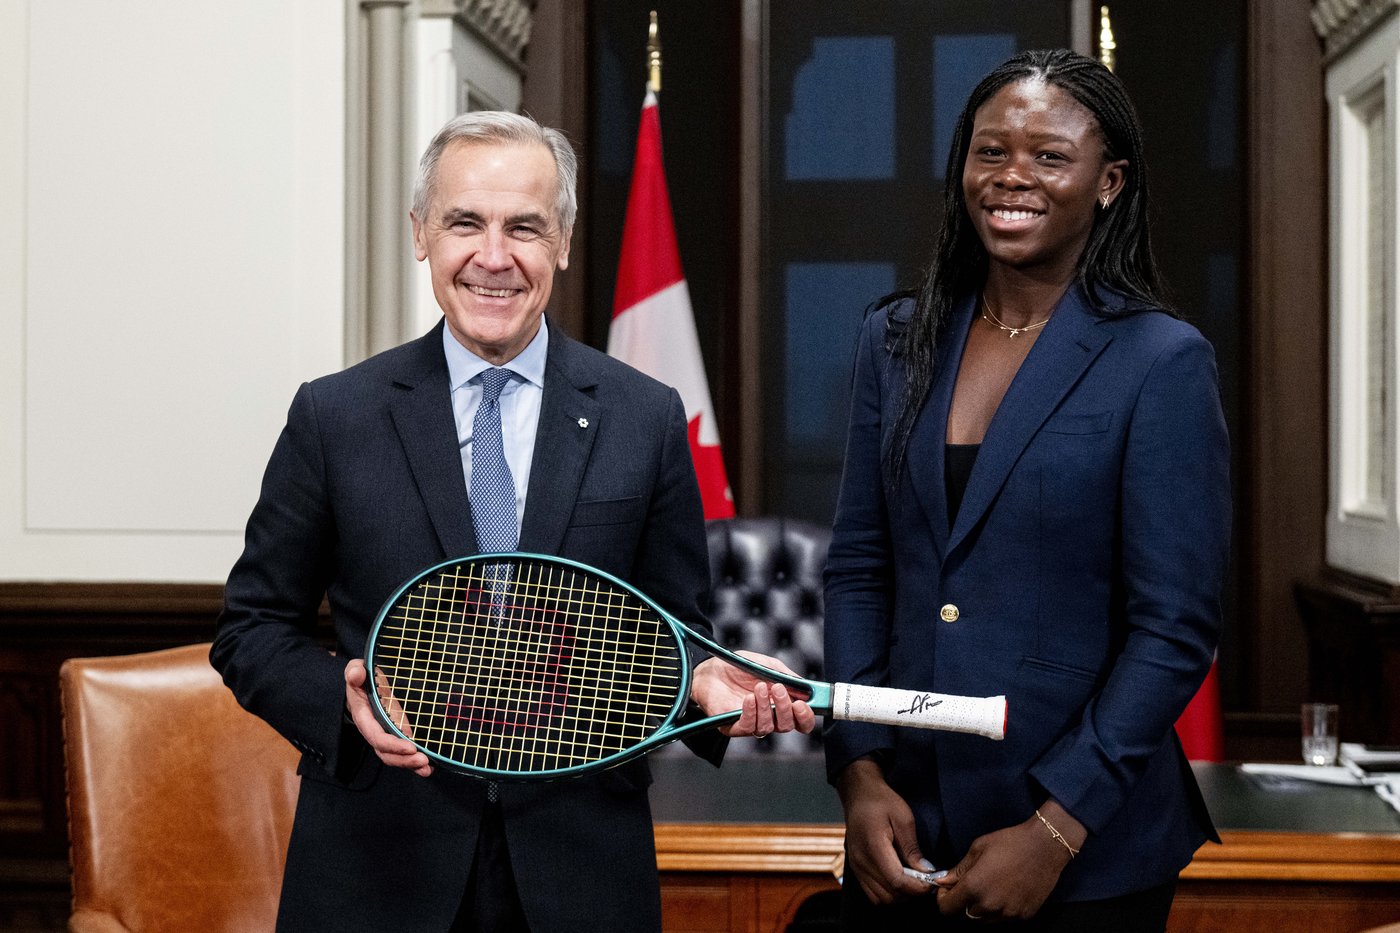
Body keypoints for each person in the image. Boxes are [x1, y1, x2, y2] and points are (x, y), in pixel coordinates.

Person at [211, 110, 814, 933]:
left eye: (524, 227)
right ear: (421, 234)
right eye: (465, 222)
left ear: (562, 241)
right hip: (379, 867)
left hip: (581, 871)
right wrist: (346, 703)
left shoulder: (644, 417)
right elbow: (250, 629)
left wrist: (704, 683)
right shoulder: (335, 416)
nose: (494, 257)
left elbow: (673, 632)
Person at [823, 49, 1229, 931]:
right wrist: (858, 772)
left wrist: (1056, 828)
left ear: (1109, 182)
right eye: (991, 151)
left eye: (1050, 156)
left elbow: (1174, 627)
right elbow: (859, 567)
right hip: (905, 830)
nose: (1013, 176)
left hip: (1086, 852)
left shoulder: (1161, 359)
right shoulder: (894, 337)